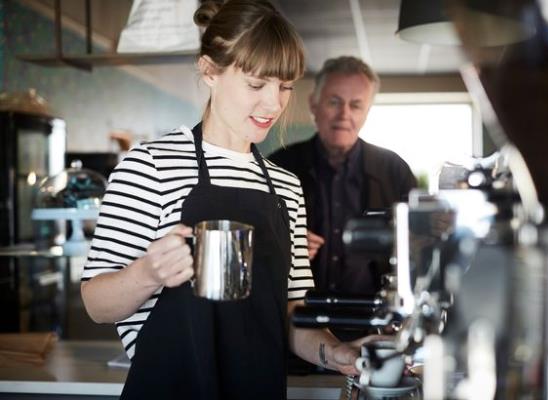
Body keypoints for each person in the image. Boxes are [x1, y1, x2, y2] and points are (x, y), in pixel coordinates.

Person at [80, 2, 375, 398]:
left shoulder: (286, 186)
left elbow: (291, 312)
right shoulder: (151, 165)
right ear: (209, 72)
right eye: (257, 84)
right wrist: (148, 272)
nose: (274, 104)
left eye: (285, 86)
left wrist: (335, 352)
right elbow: (96, 303)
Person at [270, 56, 417, 301]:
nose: (343, 114)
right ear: (314, 105)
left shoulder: (395, 170)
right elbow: (257, 249)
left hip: (375, 322)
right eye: (334, 102)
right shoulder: (278, 167)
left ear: (367, 113)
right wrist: (282, 246)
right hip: (297, 318)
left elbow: (419, 249)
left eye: (356, 105)